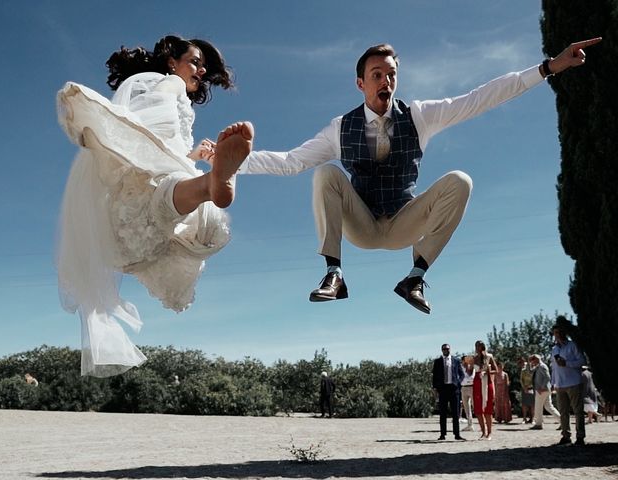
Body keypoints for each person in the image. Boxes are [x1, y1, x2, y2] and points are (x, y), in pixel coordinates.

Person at [237, 37, 602, 313]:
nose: (386, 81)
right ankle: (334, 273)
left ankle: (414, 278)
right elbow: (290, 162)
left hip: (402, 224)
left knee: (460, 181)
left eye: (391, 75)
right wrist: (231, 162)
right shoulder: (340, 128)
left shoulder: (419, 115)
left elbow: (481, 98)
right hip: (361, 225)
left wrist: (548, 67)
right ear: (360, 83)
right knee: (325, 174)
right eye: (377, 75)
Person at [57, 35, 254, 377]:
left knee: (190, 214)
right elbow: (155, 118)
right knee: (193, 213)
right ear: (171, 62)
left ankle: (209, 183)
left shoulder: (164, 92)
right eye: (194, 61)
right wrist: (166, 155)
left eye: (203, 66)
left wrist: (192, 157)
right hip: (141, 190)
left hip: (128, 235)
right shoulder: (168, 85)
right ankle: (210, 183)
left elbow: (165, 142)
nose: (201, 70)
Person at [551, 320, 586, 446]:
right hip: (560, 385)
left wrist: (568, 364)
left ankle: (580, 437)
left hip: (573, 382)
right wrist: (553, 382)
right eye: (555, 332)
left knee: (578, 411)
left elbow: (582, 361)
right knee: (563, 412)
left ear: (564, 333)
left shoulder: (572, 345)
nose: (557, 334)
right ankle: (566, 436)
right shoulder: (554, 349)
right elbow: (554, 367)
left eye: (559, 332)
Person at [432, 344, 465, 440]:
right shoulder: (437, 362)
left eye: (447, 348)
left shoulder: (456, 360)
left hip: (454, 388)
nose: (446, 350)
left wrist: (458, 383)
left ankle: (457, 434)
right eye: (444, 349)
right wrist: (435, 387)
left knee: (456, 412)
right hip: (443, 389)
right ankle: (442, 434)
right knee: (443, 413)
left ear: (450, 349)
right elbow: (435, 376)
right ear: (442, 350)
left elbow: (461, 374)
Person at [473, 340, 497, 440]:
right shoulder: (474, 358)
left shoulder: (489, 356)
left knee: (488, 409)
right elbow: (470, 371)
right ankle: (483, 432)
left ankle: (489, 433)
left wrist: (488, 371)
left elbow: (496, 370)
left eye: (480, 346)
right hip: (477, 383)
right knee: (478, 410)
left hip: (487, 383)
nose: (478, 347)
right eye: (476, 346)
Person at [529, 354, 560, 430]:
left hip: (542, 390)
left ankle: (538, 424)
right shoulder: (538, 366)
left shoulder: (542, 366)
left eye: (532, 361)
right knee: (548, 406)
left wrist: (542, 388)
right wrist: (529, 364)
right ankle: (563, 421)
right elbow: (530, 371)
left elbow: (547, 377)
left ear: (536, 360)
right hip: (545, 390)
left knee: (538, 407)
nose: (532, 363)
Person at [460, 355, 475, 432]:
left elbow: (471, 376)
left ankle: (484, 423)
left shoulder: (472, 367)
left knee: (475, 406)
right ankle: (470, 425)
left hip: (472, 387)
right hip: (463, 387)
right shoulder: (460, 367)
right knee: (466, 407)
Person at [518, 357, 535, 424]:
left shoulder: (534, 370)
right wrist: (524, 387)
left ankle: (533, 419)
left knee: (532, 404)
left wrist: (531, 386)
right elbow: (521, 379)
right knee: (524, 404)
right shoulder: (523, 370)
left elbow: (535, 379)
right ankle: (524, 418)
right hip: (524, 388)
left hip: (532, 388)